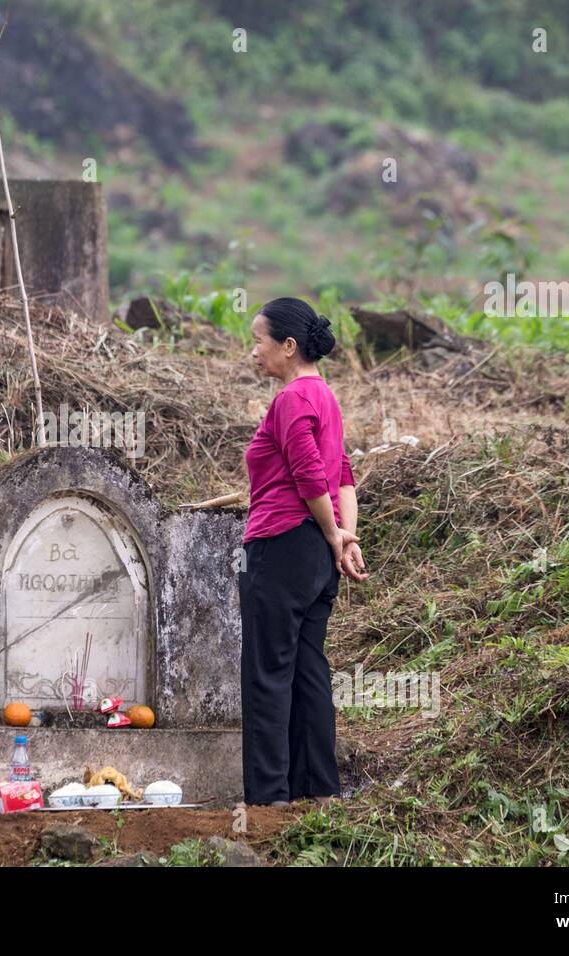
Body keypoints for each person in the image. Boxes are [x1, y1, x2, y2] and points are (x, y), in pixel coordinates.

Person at [238, 296, 368, 808]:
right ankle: (316, 789)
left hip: (281, 544)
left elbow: (311, 474)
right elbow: (344, 476)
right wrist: (341, 537)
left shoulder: (292, 398)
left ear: (288, 347)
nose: (253, 352)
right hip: (316, 552)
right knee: (307, 667)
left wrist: (335, 533)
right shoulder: (326, 397)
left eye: (258, 341)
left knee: (268, 670)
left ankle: (268, 799)